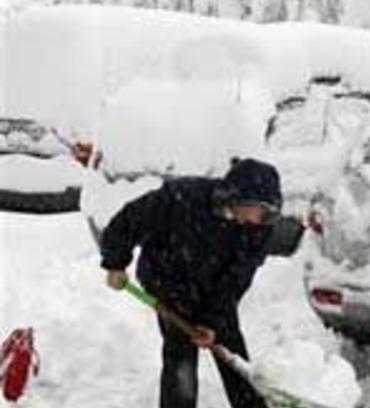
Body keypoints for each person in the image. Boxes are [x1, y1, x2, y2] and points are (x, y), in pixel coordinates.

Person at [99, 158, 305, 408]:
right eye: (257, 210)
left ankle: (250, 404)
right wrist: (115, 262)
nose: (257, 219)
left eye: (266, 213)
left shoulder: (258, 227)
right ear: (238, 197)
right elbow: (127, 222)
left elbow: (237, 277)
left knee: (231, 346)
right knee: (180, 352)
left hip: (215, 287)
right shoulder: (181, 197)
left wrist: (213, 321)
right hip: (168, 280)